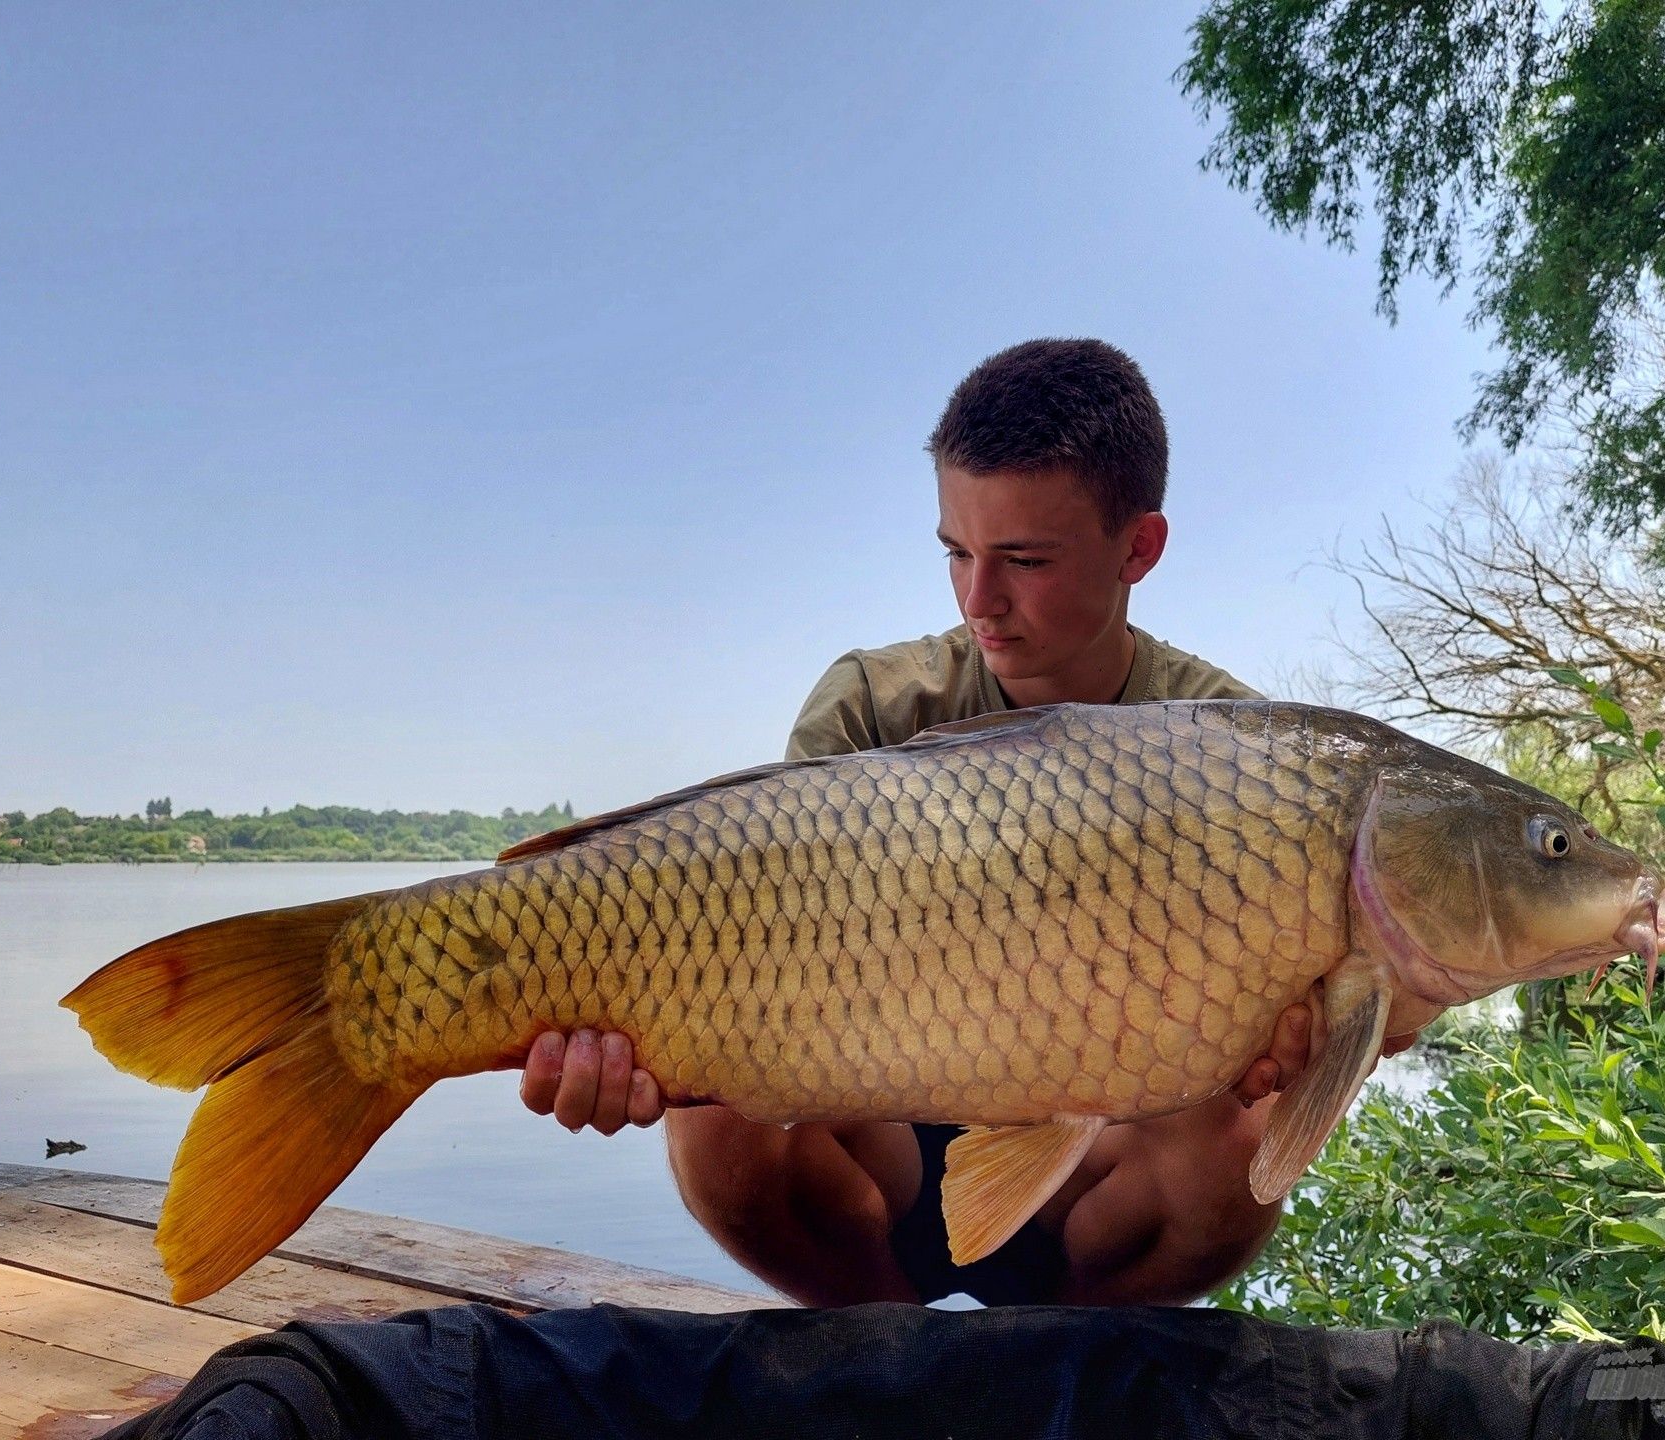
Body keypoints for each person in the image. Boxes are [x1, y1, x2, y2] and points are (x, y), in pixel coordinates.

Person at [515, 338, 1420, 1306]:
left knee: (1243, 1139)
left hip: (1099, 1175)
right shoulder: (873, 702)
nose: (980, 602)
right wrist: (627, 1041)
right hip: (883, 1144)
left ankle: (1066, 1371)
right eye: (956, 553)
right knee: (713, 1114)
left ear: (1138, 548)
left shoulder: (1247, 751)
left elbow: (1368, 1009)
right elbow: (755, 944)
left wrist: (1316, 1042)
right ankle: (888, 1362)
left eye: (1024, 560)